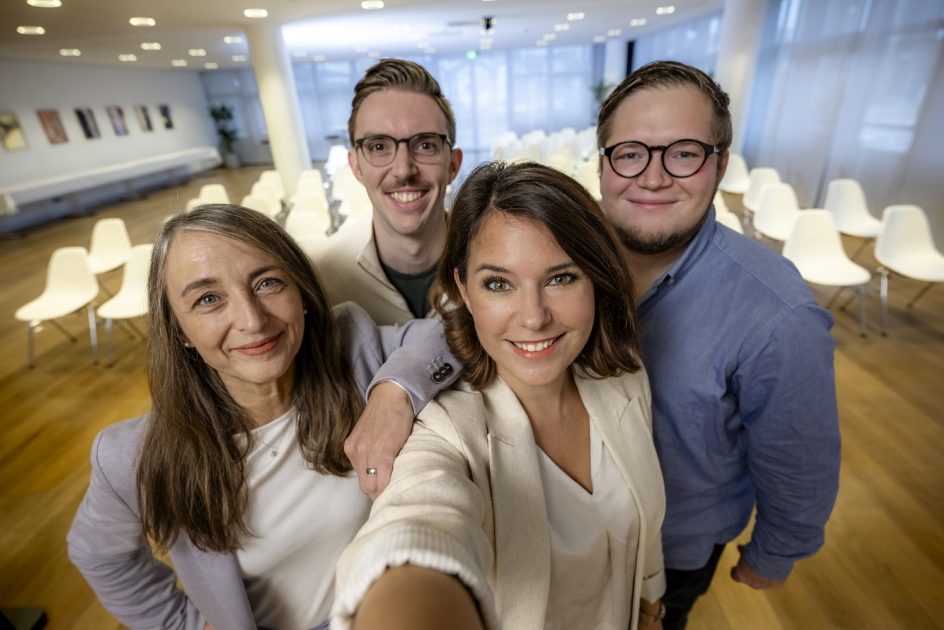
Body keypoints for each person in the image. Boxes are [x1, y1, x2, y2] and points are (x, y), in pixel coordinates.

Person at [67, 204, 458, 630]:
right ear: (179, 331)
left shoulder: (353, 346)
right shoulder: (129, 456)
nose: (252, 320)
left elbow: (454, 332)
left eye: (267, 283)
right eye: (209, 299)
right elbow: (100, 557)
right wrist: (184, 624)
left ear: (301, 292)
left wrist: (393, 393)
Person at [333, 162, 667, 630]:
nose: (533, 317)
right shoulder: (445, 432)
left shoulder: (623, 377)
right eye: (498, 284)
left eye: (561, 278)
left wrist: (651, 605)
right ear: (464, 292)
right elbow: (417, 522)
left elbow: (644, 524)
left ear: (597, 277)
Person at [596, 61, 841, 628]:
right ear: (604, 162)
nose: (653, 178)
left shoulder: (779, 313)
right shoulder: (560, 252)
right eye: (630, 153)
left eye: (683, 153)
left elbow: (798, 455)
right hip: (563, 529)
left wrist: (775, 552)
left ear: (720, 165)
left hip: (674, 550)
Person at [313, 59, 463, 326]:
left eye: (425, 145)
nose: (403, 170)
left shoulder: (497, 263)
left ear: (453, 164)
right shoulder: (319, 277)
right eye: (379, 147)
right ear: (356, 167)